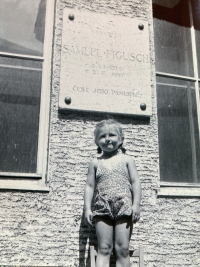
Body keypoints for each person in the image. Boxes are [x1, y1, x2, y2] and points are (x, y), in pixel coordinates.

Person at [84, 119, 141, 267]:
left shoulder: (127, 160)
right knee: (104, 248)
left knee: (122, 249)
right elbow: (90, 186)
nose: (107, 139)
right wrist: (88, 208)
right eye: (102, 136)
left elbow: (136, 183)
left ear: (121, 139)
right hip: (102, 207)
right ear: (97, 141)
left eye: (112, 135)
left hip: (124, 206)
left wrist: (136, 205)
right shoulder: (95, 162)